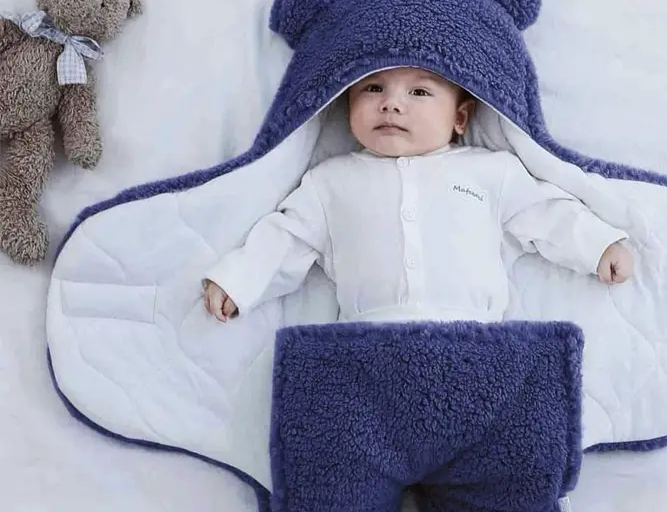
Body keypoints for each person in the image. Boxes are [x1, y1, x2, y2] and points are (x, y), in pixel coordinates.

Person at [202, 66, 633, 323]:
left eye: (419, 92)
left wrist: (597, 246)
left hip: (475, 335)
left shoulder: (490, 171)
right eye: (373, 88)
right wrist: (240, 281)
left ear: (460, 117)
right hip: (365, 341)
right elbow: (286, 238)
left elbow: (547, 214)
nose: (391, 104)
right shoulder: (329, 181)